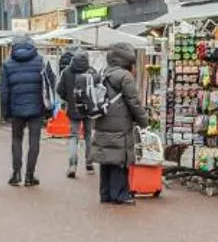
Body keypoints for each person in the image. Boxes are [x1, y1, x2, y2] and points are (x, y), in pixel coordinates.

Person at [87, 44, 149, 205]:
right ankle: (120, 194)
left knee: (106, 159)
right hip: (120, 124)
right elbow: (134, 102)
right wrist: (144, 121)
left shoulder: (104, 72)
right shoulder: (125, 76)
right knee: (119, 159)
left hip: (102, 120)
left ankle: (105, 194)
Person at [0, 33, 52, 187]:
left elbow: (4, 91)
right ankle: (30, 176)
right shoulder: (41, 61)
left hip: (16, 109)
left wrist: (5, 111)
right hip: (37, 108)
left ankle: (16, 174)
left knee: (16, 140)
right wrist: (48, 108)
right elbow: (49, 85)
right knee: (34, 142)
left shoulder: (7, 64)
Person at [56, 48, 95, 179]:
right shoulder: (91, 71)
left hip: (74, 108)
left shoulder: (67, 72)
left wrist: (69, 99)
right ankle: (89, 163)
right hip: (89, 109)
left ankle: (72, 165)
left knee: (74, 136)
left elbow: (59, 90)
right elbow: (98, 90)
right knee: (89, 135)